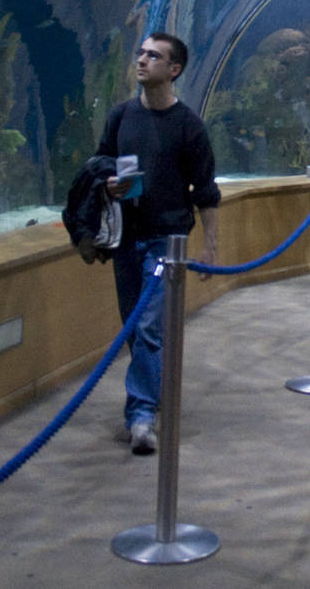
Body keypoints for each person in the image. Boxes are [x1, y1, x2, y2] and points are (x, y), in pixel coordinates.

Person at [95, 32, 220, 456]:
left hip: (168, 240)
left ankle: (141, 416)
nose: (142, 60)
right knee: (135, 324)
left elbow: (206, 191)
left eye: (154, 55)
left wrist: (210, 248)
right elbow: (102, 162)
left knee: (148, 325)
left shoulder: (190, 127)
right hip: (126, 236)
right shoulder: (120, 116)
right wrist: (108, 184)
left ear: (174, 69)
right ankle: (156, 388)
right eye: (142, 52)